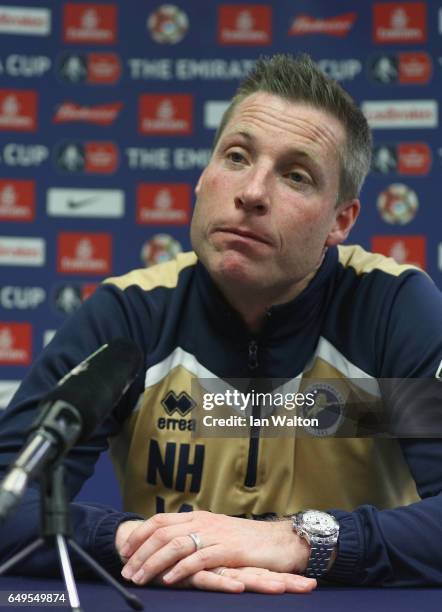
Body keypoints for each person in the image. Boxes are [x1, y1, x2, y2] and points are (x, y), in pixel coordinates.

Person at [0, 53, 441, 594]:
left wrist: (300, 541)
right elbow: (8, 498)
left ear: (339, 221)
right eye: (236, 156)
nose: (252, 192)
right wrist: (142, 543)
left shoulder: (389, 311)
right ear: (203, 177)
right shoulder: (133, 315)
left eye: (296, 175)